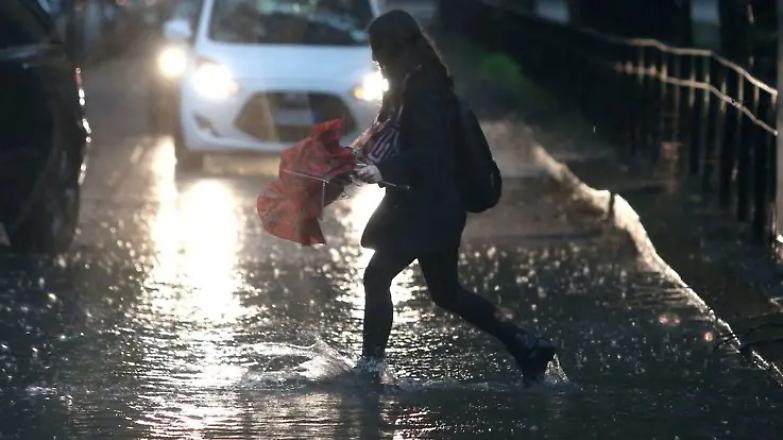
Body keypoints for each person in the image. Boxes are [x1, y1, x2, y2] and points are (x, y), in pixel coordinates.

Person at [353, 10, 556, 385]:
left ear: (394, 49)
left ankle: (370, 369)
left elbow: (430, 152)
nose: (374, 59)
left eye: (378, 49)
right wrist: (362, 160)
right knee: (447, 292)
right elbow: (393, 138)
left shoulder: (423, 87)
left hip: (428, 208)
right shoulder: (410, 82)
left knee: (377, 276)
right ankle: (527, 345)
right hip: (431, 206)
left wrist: (385, 171)